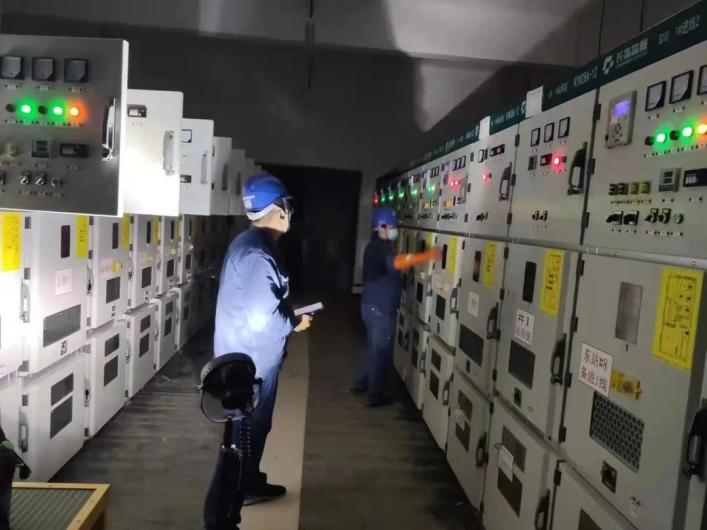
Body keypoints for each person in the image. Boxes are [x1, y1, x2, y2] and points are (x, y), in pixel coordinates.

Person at [205, 172, 312, 530]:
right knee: (242, 439)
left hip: (250, 359)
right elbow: (263, 319)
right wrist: (294, 322)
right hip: (250, 365)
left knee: (254, 431)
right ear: (279, 209)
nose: (290, 213)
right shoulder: (256, 254)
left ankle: (249, 482)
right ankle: (226, 514)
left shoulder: (251, 244)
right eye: (288, 206)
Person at [351, 207, 440, 407]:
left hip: (372, 307)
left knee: (372, 349)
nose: (394, 230)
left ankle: (359, 383)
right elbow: (397, 263)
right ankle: (375, 395)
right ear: (381, 227)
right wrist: (426, 256)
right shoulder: (379, 247)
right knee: (380, 352)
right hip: (379, 310)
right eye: (391, 226)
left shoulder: (379, 245)